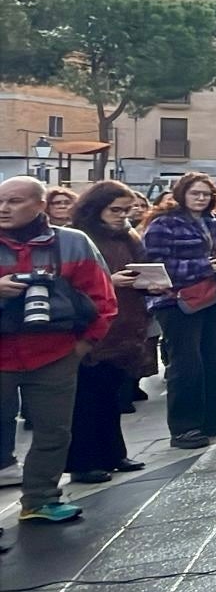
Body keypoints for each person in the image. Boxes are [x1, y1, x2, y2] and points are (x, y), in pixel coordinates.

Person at [1, 176, 116, 523]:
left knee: (54, 432)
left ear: (41, 205)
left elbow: (103, 298)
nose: (4, 208)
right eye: (1, 201)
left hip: (55, 355)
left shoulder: (73, 242)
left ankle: (40, 500)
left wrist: (82, 346)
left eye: (15, 201)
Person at [142, 173, 216, 446]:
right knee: (187, 366)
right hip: (176, 303)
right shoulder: (162, 225)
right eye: (195, 193)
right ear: (181, 195)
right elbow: (154, 266)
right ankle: (184, 428)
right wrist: (203, 267)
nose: (201, 198)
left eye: (205, 194)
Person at [66, 182, 156, 485]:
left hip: (125, 324)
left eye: (125, 210)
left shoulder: (128, 236)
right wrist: (109, 280)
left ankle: (113, 452)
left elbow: (142, 266)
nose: (121, 216)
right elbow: (70, 281)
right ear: (96, 209)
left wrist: (150, 281)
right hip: (91, 327)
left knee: (111, 394)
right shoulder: (79, 237)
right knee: (86, 399)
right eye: (114, 210)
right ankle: (84, 461)